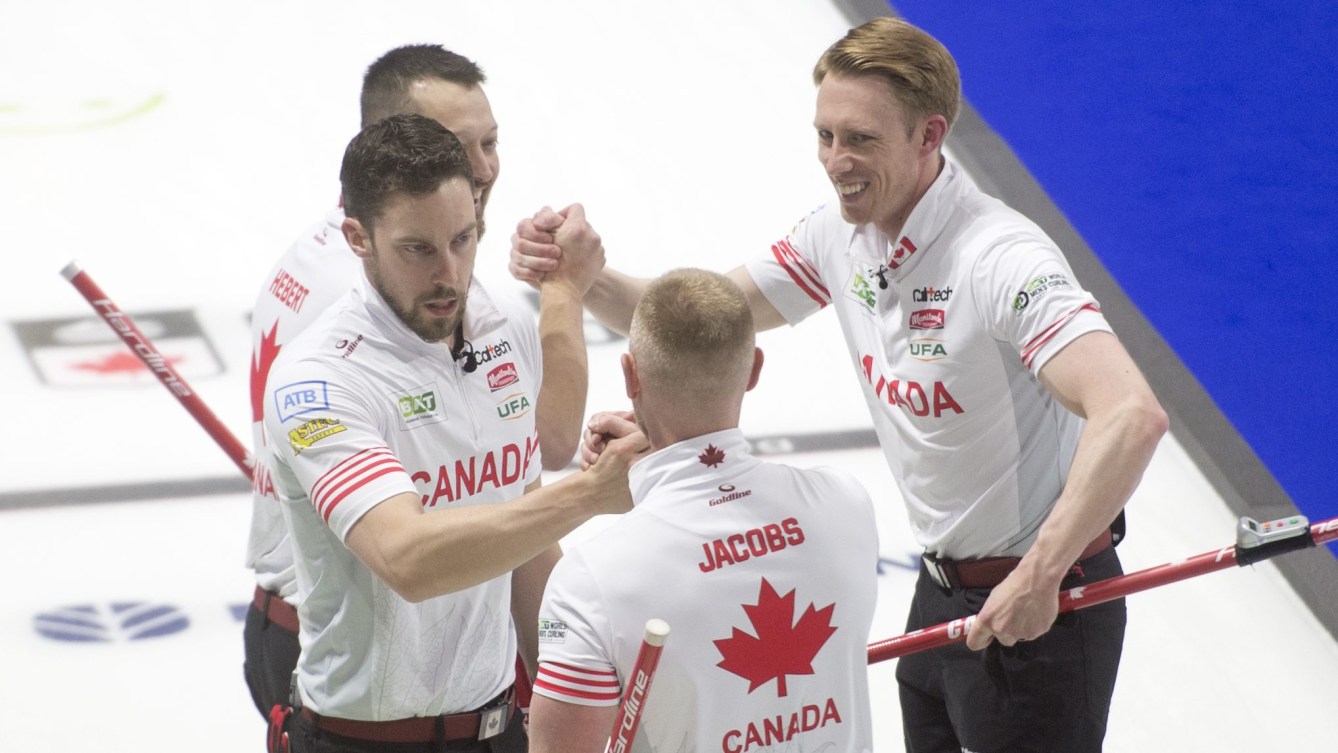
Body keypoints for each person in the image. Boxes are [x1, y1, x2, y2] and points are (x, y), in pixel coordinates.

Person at [511, 16, 1168, 753]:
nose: (835, 160)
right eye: (825, 135)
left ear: (930, 135)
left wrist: (1041, 574)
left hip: (1041, 609)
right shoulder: (840, 232)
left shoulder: (1000, 258)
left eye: (860, 139)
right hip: (942, 588)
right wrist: (579, 276)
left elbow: (1132, 413)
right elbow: (700, 324)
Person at [261, 113, 640, 753]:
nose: (449, 274)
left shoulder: (495, 327)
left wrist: (567, 701)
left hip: (497, 730)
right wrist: (588, 494)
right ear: (358, 237)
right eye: (418, 249)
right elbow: (409, 559)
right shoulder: (319, 379)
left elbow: (524, 539)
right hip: (363, 741)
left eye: (463, 239)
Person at [525, 268, 879, 753]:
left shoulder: (590, 581)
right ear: (754, 369)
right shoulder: (846, 504)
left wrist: (658, 461)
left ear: (631, 376)